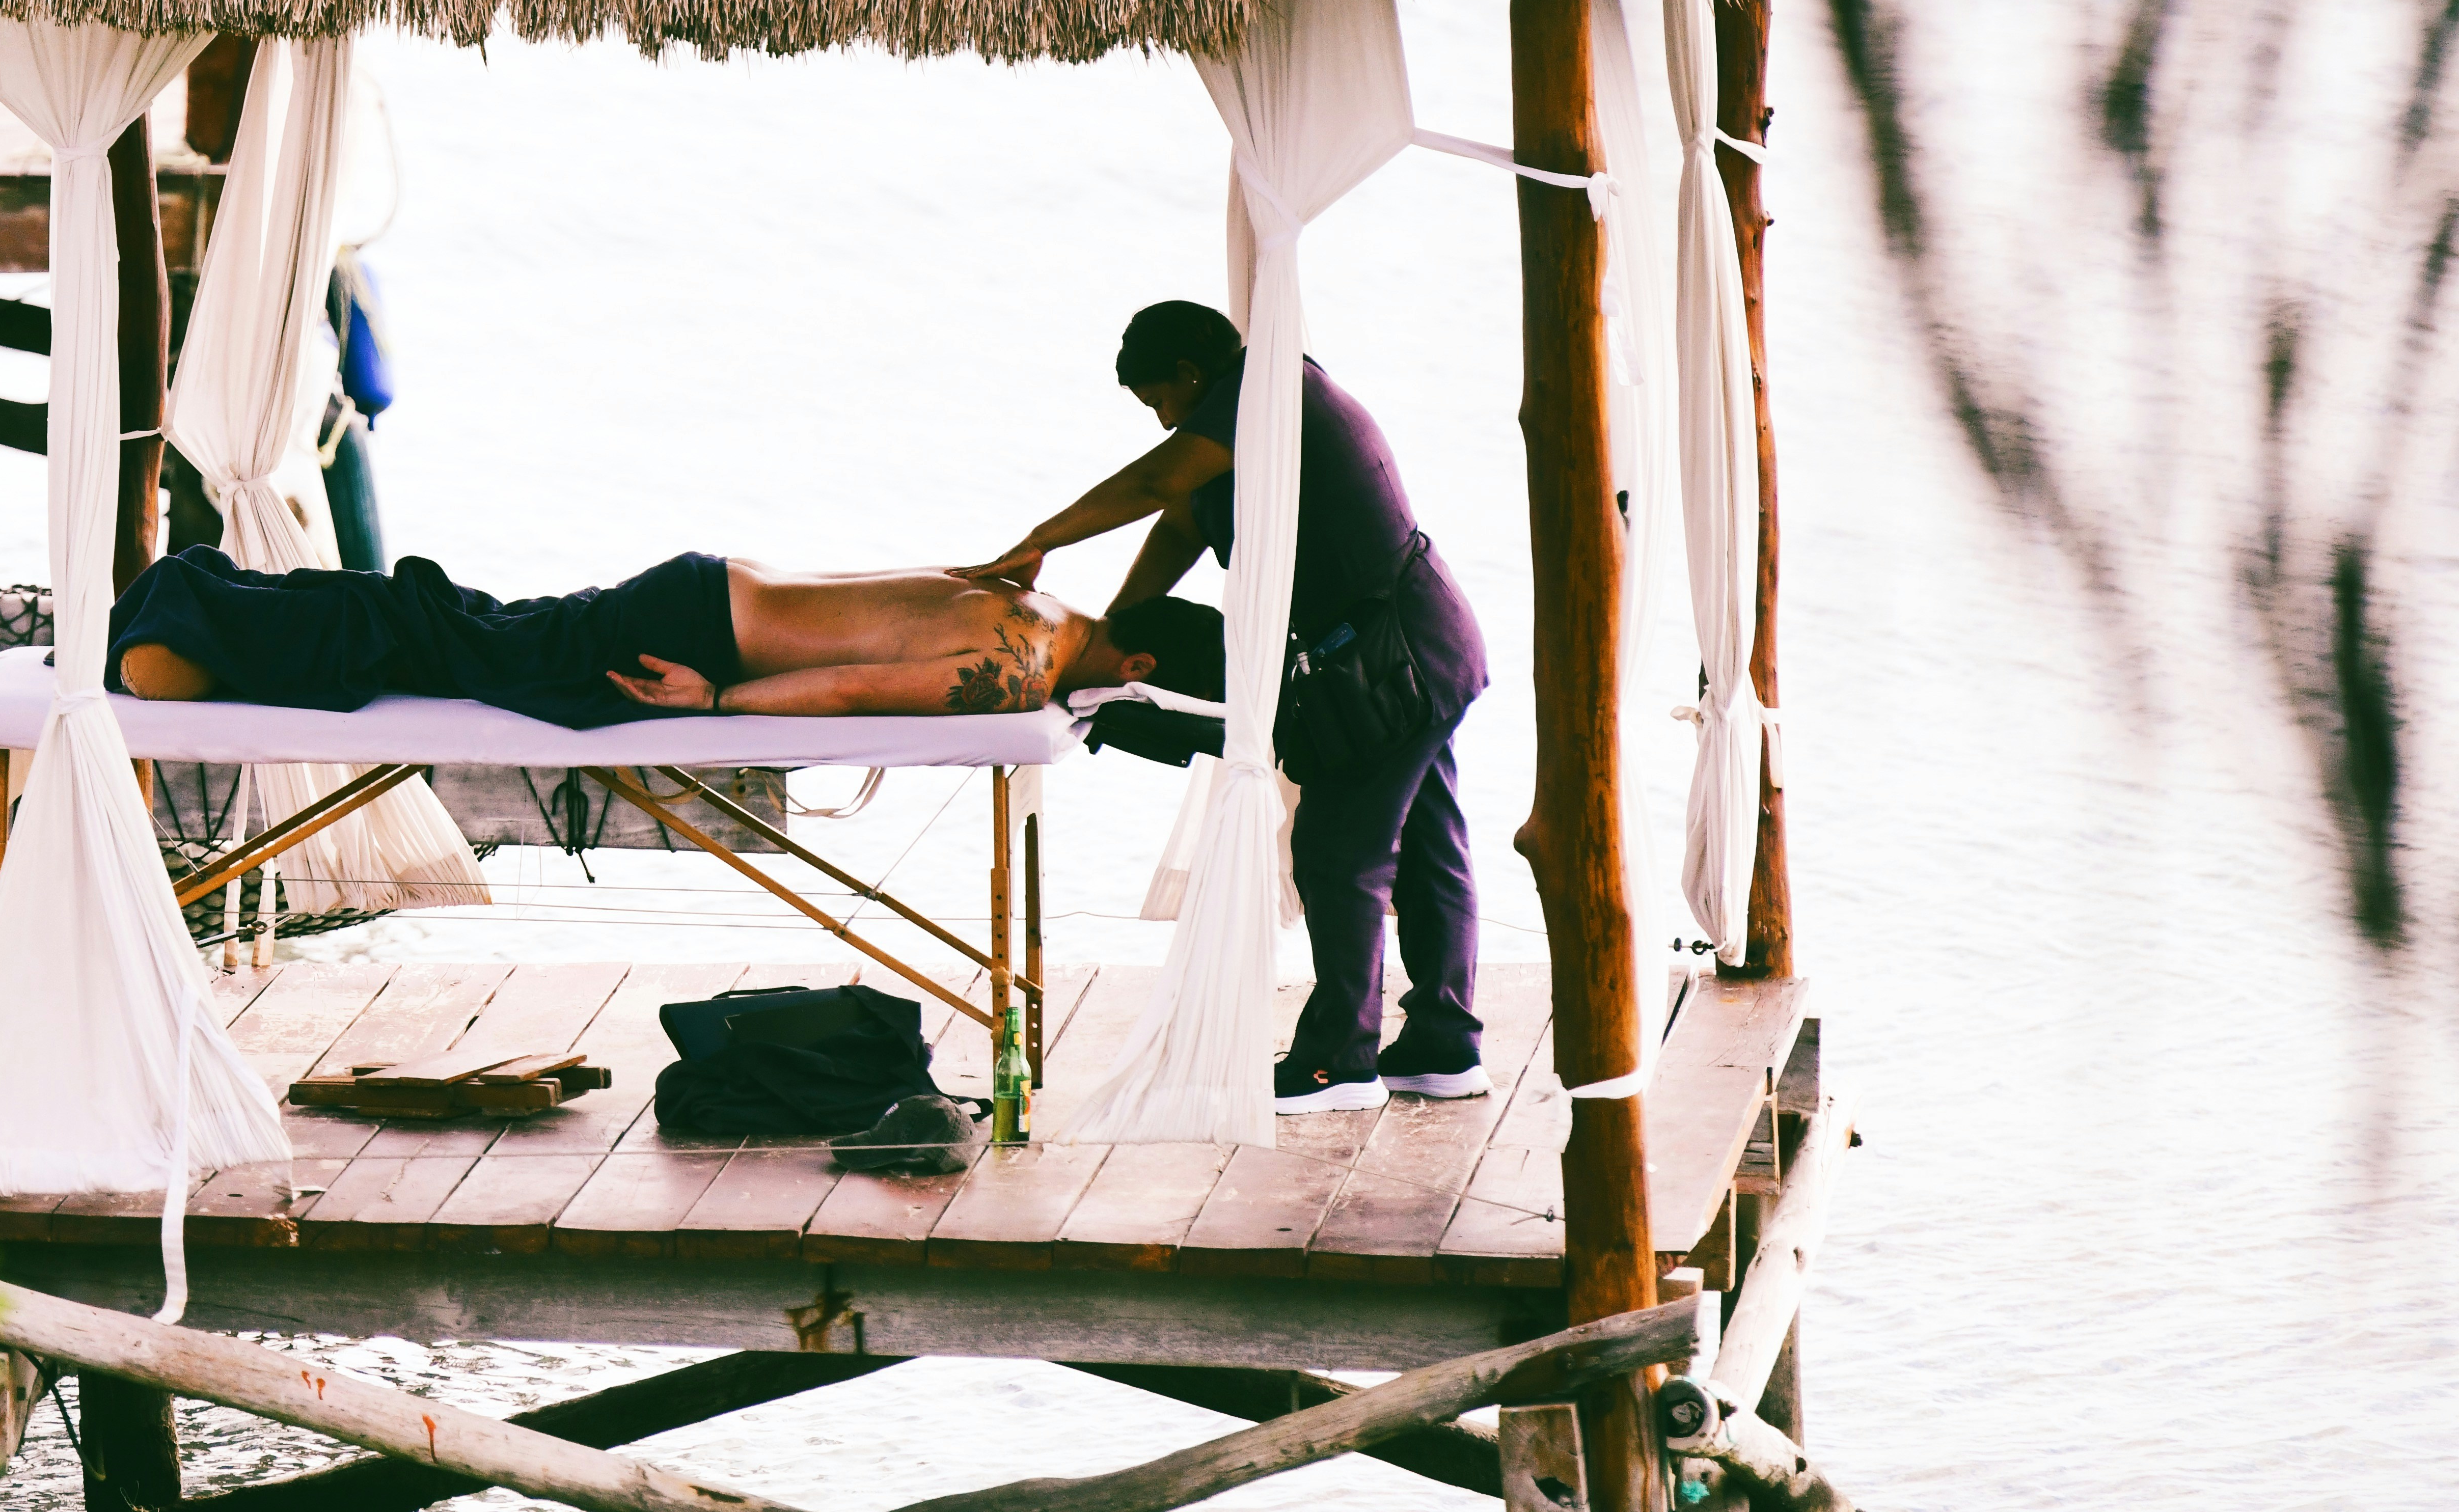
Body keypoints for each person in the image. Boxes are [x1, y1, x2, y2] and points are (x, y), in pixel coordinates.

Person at [948, 298, 1490, 1113]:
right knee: (1426, 839)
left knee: (1340, 852)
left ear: (1192, 378)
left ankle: (1338, 1060)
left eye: (1160, 403)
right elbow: (1177, 527)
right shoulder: (1247, 419)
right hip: (1417, 641)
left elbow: (1158, 477)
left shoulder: (1270, 394)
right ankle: (1444, 1049)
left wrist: (1041, 539)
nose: (1163, 423)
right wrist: (1107, 632)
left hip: (1396, 655)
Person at [107, 543, 1156, 727]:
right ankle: (196, 611)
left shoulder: (1037, 600)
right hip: (693, 637)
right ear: (1142, 665)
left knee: (477, 631)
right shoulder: (1021, 673)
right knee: (441, 636)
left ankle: (210, 604)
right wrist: (717, 703)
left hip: (705, 591)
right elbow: (846, 688)